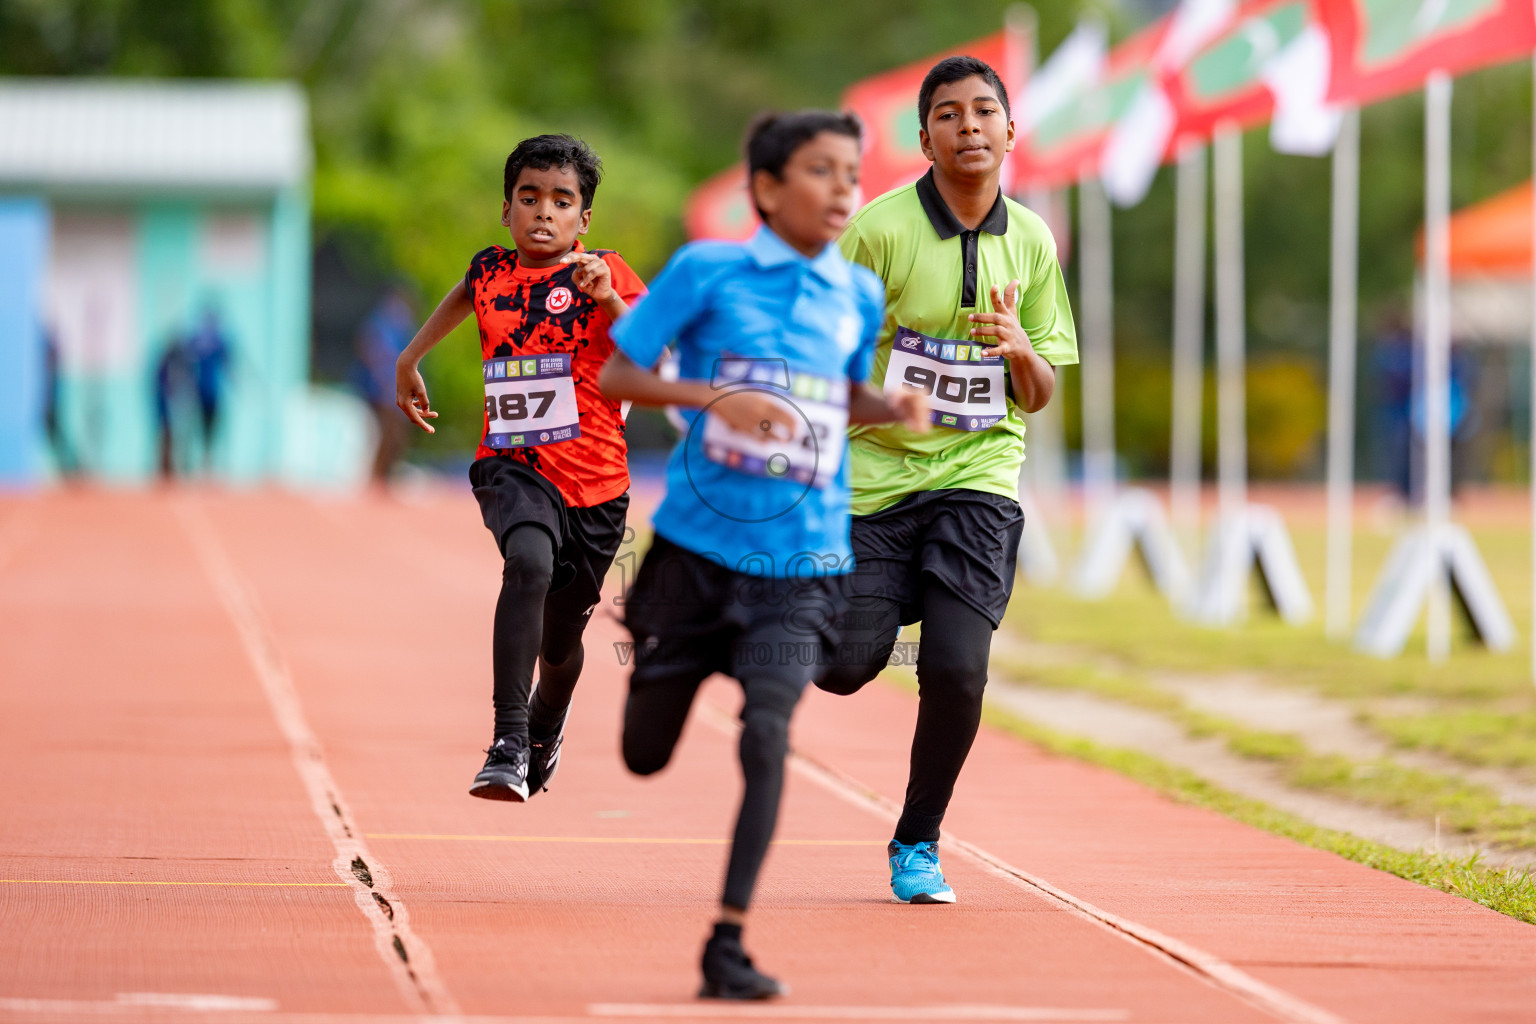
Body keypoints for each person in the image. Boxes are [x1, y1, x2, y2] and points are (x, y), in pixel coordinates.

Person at [600, 111, 928, 1001]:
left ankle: (729, 940)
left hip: (805, 562)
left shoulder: (855, 294)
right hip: (697, 556)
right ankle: (668, 671)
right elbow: (618, 377)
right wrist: (717, 397)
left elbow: (836, 394)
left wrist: (888, 409)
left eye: (851, 174)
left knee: (770, 735)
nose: (842, 191)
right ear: (768, 188)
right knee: (642, 754)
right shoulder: (707, 270)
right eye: (821, 172)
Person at [813, 56, 1079, 904]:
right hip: (877, 484)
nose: (969, 127)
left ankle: (918, 842)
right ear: (923, 136)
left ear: (1010, 131)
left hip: (978, 477)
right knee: (846, 666)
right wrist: (887, 400)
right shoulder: (879, 233)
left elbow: (1037, 397)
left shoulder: (1033, 240)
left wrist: (1021, 352)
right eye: (949, 115)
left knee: (958, 669)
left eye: (984, 112)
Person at [395, 134, 645, 802]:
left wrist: (610, 303)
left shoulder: (607, 273)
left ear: (583, 219)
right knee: (527, 563)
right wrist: (410, 357)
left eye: (562, 201)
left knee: (560, 646)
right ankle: (506, 743)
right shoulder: (491, 270)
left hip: (597, 485)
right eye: (529, 198)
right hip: (513, 467)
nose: (543, 212)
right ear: (505, 208)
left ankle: (545, 722)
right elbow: (464, 292)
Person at [354, 286, 415, 484]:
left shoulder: (402, 327)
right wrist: (385, 384)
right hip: (380, 392)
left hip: (393, 392)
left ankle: (383, 476)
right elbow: (374, 354)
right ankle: (375, 477)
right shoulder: (380, 324)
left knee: (395, 436)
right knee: (382, 435)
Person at [184, 302, 231, 474]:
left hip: (203, 392)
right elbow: (228, 366)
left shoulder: (198, 340)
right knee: (205, 429)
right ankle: (202, 463)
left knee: (205, 429)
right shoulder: (216, 340)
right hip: (207, 392)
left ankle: (204, 463)